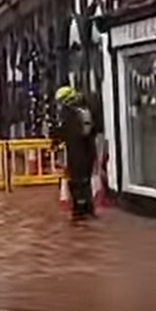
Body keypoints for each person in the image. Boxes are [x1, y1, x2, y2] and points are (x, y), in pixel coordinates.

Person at [52, 85, 98, 220]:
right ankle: (88, 209)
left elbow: (61, 132)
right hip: (88, 150)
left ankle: (79, 211)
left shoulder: (68, 113)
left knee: (76, 182)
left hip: (76, 152)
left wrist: (54, 141)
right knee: (85, 181)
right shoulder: (85, 108)